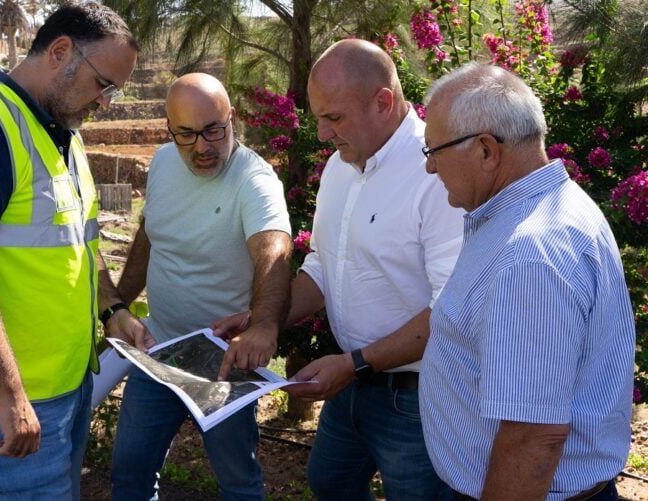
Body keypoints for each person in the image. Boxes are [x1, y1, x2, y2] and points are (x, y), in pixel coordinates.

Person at [215, 38, 463, 500]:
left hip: (418, 396)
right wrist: (262, 322)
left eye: (334, 117)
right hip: (351, 379)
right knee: (330, 482)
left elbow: (450, 310)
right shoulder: (338, 167)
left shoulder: (436, 173)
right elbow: (323, 268)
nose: (323, 133)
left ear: (382, 102)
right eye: (318, 118)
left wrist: (354, 364)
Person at [0, 3, 138, 499]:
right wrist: (8, 393)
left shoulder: (61, 133)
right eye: (103, 84)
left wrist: (112, 309)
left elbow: (78, 244)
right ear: (60, 52)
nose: (105, 102)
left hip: (61, 386)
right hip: (4, 395)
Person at [418, 63, 636, 500]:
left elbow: (533, 436)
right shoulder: (543, 208)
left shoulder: (529, 254)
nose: (429, 168)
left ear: (485, 150)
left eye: (434, 151)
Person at [101, 72, 292, 500]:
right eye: (186, 134)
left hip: (222, 365)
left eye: (213, 130)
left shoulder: (253, 179)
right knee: (129, 474)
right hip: (160, 350)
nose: (202, 147)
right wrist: (119, 304)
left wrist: (263, 326)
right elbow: (150, 235)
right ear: (169, 129)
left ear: (232, 119)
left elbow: (274, 251)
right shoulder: (164, 161)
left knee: (238, 483)